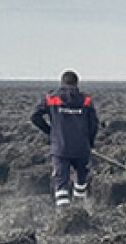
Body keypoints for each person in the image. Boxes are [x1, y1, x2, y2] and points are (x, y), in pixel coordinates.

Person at [31, 70, 99, 206]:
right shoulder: (86, 100)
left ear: (62, 83)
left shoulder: (51, 98)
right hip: (81, 148)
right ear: (77, 83)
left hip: (60, 148)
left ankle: (64, 215)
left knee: (61, 183)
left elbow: (34, 116)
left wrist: (50, 131)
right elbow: (94, 124)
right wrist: (90, 143)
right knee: (81, 181)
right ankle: (80, 210)